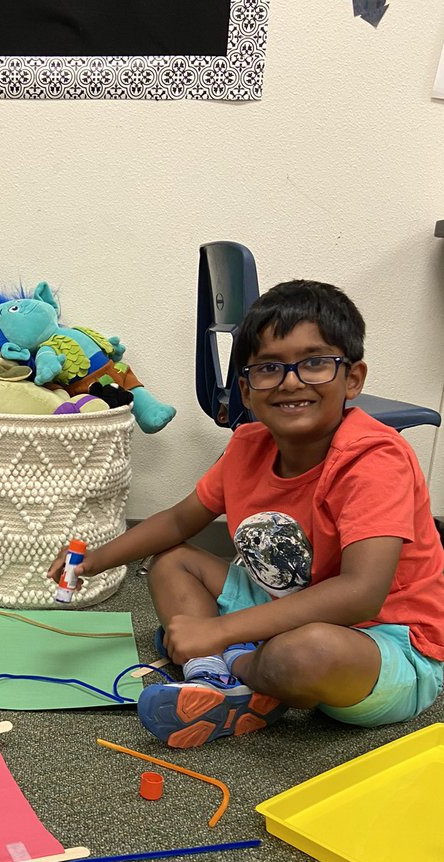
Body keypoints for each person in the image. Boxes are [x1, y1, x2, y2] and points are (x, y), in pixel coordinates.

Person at [49, 279, 444, 748]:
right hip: (285, 605)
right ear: (247, 389)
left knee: (303, 653)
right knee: (172, 561)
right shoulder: (247, 445)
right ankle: (211, 676)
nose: (291, 381)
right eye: (269, 368)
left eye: (314, 362)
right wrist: (94, 560)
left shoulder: (374, 458)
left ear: (353, 378)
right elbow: (178, 522)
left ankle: (237, 662)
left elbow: (362, 594)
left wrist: (217, 630)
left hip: (385, 640)